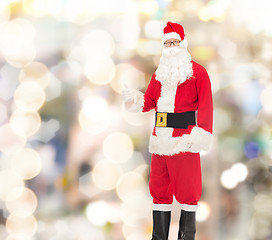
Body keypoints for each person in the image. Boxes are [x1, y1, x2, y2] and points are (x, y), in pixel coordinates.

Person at [122, 21, 213, 240]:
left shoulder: (198, 73)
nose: (171, 46)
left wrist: (201, 133)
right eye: (168, 43)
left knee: (188, 192)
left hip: (185, 140)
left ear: (182, 44)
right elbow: (150, 101)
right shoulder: (159, 74)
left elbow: (206, 106)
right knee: (159, 191)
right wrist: (135, 99)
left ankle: (186, 236)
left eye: (175, 42)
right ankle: (159, 236)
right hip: (160, 140)